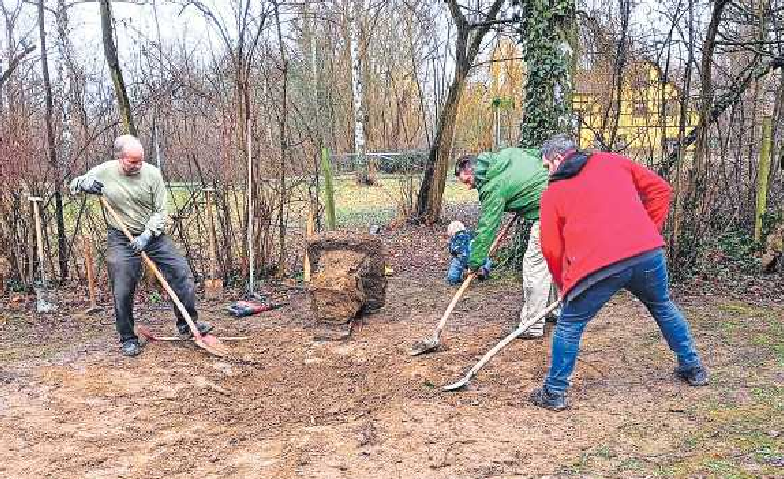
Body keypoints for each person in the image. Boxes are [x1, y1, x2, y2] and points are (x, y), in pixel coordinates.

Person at [530, 133, 708, 411]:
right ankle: (693, 368)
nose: (547, 172)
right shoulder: (611, 161)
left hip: (597, 267)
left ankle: (554, 392)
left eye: (546, 166)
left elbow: (552, 248)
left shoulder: (554, 193)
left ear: (556, 159)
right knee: (662, 305)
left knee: (569, 323)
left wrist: (563, 284)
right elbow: (661, 189)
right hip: (647, 255)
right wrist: (646, 231)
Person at [69, 134, 213, 357]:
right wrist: (84, 183)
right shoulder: (105, 171)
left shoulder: (152, 174)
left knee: (180, 273)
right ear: (120, 158)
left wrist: (147, 236)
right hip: (121, 237)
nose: (138, 166)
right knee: (123, 282)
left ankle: (187, 324)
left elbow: (160, 211)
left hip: (152, 235)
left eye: (140, 160)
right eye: (132, 161)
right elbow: (74, 185)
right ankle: (127, 337)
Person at [455, 148, 555, 338]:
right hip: (564, 202)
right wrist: (524, 193)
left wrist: (474, 263)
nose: (469, 187)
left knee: (534, 268)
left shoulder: (492, 186)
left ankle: (532, 326)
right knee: (552, 263)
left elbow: (487, 228)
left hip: (549, 213)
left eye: (467, 181)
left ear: (472, 170)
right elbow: (537, 156)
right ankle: (553, 310)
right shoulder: (506, 156)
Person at [444, 220, 492, 285]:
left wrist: (455, 255)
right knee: (487, 260)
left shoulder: (454, 239)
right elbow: (479, 241)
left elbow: (452, 251)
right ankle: (484, 270)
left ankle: (452, 279)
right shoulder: (471, 234)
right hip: (475, 256)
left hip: (462, 258)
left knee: (456, 264)